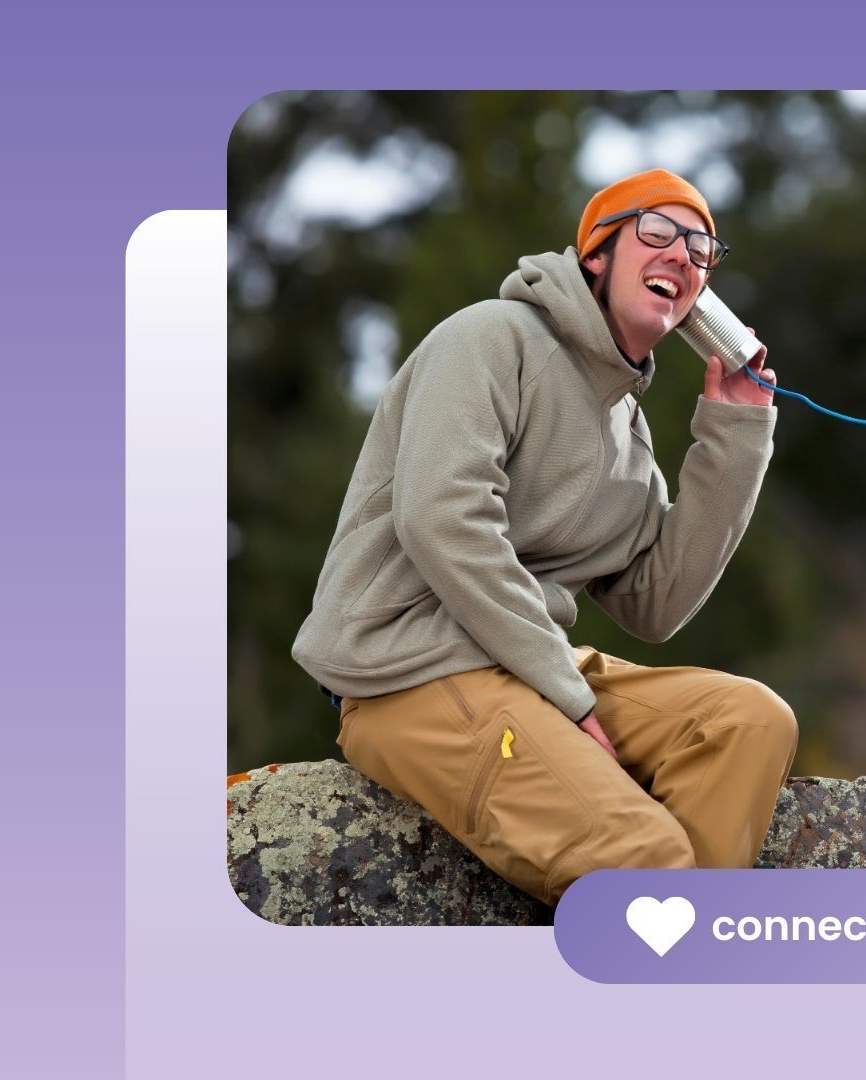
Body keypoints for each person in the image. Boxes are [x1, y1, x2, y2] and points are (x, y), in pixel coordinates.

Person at [291, 169, 797, 907]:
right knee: (644, 856)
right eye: (655, 232)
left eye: (701, 249)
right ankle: (661, 924)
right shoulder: (492, 338)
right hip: (406, 667)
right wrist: (569, 698)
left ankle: (676, 937)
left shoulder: (629, 434)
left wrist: (738, 430)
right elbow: (442, 519)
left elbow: (655, 605)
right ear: (596, 253)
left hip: (524, 668)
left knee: (748, 720)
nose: (682, 256)